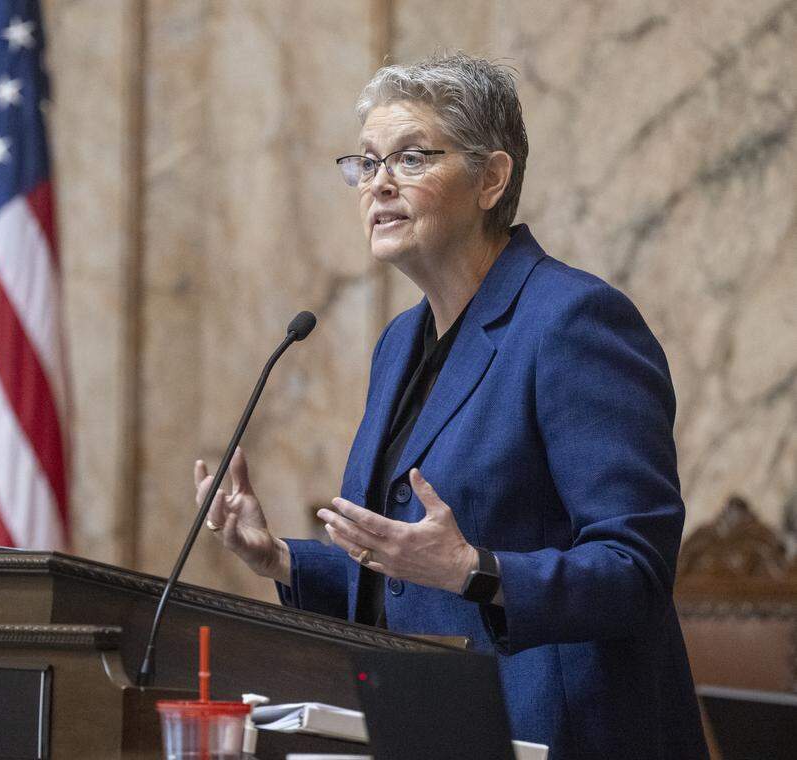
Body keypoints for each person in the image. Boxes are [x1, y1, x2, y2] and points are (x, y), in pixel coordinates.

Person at [195, 54, 708, 759]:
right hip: (429, 724)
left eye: (409, 159)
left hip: (562, 735)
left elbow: (634, 572)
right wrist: (280, 558)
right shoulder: (401, 344)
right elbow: (411, 573)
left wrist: (478, 569)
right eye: (366, 163)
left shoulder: (573, 322)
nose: (378, 185)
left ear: (491, 179)